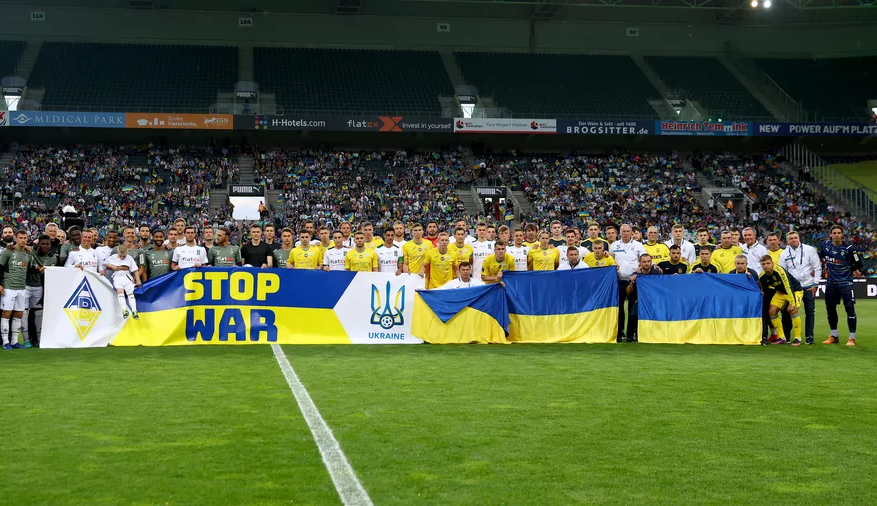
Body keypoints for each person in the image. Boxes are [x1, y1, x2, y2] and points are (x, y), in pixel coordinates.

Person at [819, 225, 863, 346]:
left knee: (849, 309)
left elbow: (859, 263)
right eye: (834, 233)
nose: (837, 235)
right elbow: (820, 257)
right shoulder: (825, 245)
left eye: (839, 233)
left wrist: (850, 270)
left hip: (846, 283)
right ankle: (834, 336)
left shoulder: (849, 249)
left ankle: (852, 338)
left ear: (842, 235)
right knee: (830, 309)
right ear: (830, 235)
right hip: (831, 283)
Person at [779, 230, 821, 345]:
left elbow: (817, 267)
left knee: (810, 312)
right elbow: (783, 272)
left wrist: (816, 283)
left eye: (795, 238)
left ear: (799, 238)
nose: (793, 240)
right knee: (788, 311)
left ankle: (809, 336)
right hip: (792, 288)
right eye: (791, 238)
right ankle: (787, 337)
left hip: (808, 285)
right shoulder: (784, 254)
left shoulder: (809, 250)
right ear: (787, 241)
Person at [611, 224, 646, 342]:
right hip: (619, 281)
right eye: (623, 231)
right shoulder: (614, 245)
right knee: (619, 308)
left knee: (633, 308)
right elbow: (611, 260)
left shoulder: (638, 245)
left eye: (628, 231)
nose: (626, 233)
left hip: (634, 281)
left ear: (632, 233)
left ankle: (631, 334)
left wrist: (638, 271)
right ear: (620, 233)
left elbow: (644, 259)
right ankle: (620, 333)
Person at [759, 255, 804, 346]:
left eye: (768, 263)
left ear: (772, 263)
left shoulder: (779, 270)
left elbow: (788, 286)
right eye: (763, 264)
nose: (766, 266)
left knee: (793, 310)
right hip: (780, 293)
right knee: (771, 311)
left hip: (795, 291)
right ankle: (781, 338)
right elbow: (765, 289)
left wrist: (792, 302)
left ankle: (797, 338)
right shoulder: (762, 276)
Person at [0, 230, 33, 349]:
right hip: (8, 287)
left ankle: (14, 341)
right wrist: (0, 284)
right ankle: (5, 342)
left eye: (25, 238)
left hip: (21, 288)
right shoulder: (8, 251)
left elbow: (30, 268)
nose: (23, 240)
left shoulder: (28, 253)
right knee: (6, 313)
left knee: (19, 314)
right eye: (21, 238)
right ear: (16, 238)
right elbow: (0, 267)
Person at [25, 234, 57, 348]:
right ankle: (26, 339)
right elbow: (29, 266)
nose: (45, 246)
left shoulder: (53, 258)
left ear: (50, 245)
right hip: (26, 285)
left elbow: (48, 274)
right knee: (23, 313)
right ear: (38, 244)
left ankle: (37, 339)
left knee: (36, 314)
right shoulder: (29, 252)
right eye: (42, 244)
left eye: (47, 244)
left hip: (39, 287)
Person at [624, 253, 662, 341]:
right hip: (639, 301)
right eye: (644, 262)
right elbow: (628, 293)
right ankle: (633, 334)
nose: (646, 264)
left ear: (651, 262)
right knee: (633, 314)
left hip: (654, 301)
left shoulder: (657, 273)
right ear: (640, 263)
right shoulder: (636, 274)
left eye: (648, 261)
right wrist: (632, 283)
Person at [104, 244, 142, 320]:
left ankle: (134, 311)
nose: (122, 257)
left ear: (127, 252)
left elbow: (135, 269)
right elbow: (105, 263)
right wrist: (112, 266)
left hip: (126, 276)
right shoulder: (113, 257)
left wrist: (138, 279)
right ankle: (124, 310)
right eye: (120, 256)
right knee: (120, 291)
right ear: (117, 251)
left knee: (130, 293)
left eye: (124, 256)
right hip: (117, 276)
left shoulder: (129, 258)